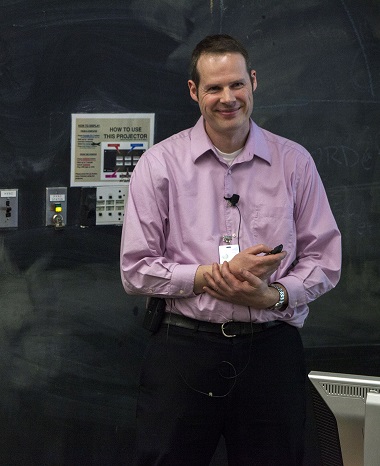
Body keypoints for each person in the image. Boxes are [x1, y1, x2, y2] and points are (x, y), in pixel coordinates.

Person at [120, 34, 341, 465]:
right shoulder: (159, 165)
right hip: (184, 350)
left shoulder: (294, 163)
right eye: (214, 88)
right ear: (194, 92)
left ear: (253, 82)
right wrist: (208, 277)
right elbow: (135, 269)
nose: (228, 98)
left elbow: (324, 258)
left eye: (236, 84)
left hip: (271, 352)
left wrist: (273, 296)